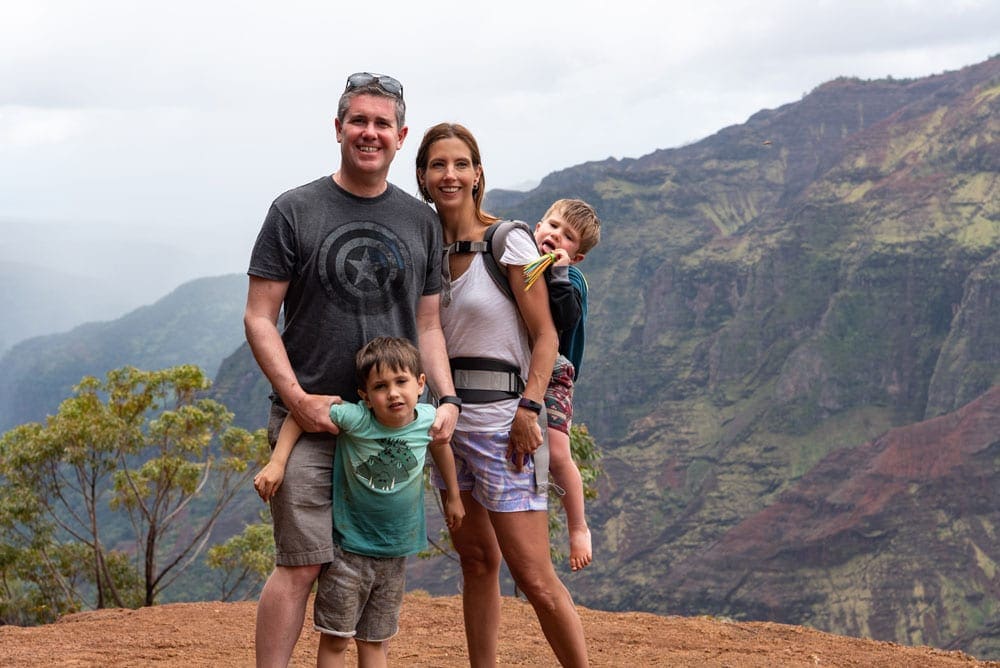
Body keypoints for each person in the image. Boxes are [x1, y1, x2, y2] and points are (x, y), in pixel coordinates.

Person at [243, 72, 461, 668]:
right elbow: (260, 317)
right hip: (312, 422)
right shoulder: (294, 210)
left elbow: (431, 325)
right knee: (303, 562)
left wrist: (444, 399)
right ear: (338, 127)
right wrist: (298, 399)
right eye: (358, 121)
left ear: (401, 136)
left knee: (370, 566)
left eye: (381, 123)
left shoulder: (420, 222)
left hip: (389, 429)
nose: (369, 132)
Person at [415, 122, 590, 667]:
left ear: (477, 173)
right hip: (449, 428)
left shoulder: (508, 241)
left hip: (504, 425)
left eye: (461, 164)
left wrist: (530, 409)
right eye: (438, 164)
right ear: (422, 177)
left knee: (534, 576)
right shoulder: (425, 252)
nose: (450, 174)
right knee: (476, 561)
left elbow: (546, 337)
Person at [253, 336, 465, 668]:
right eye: (380, 386)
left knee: (375, 642)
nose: (393, 392)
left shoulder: (427, 419)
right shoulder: (357, 419)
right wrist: (277, 463)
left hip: (395, 553)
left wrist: (453, 495)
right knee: (336, 640)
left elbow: (440, 446)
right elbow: (298, 416)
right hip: (348, 551)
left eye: (401, 381)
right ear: (365, 397)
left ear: (421, 384)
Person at [533, 198, 602, 572]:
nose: (556, 236)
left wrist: (558, 275)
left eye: (568, 237)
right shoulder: (525, 261)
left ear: (576, 257)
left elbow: (567, 313)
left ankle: (578, 527)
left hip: (557, 372)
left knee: (558, 454)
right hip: (525, 372)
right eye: (553, 225)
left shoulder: (569, 278)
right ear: (537, 225)